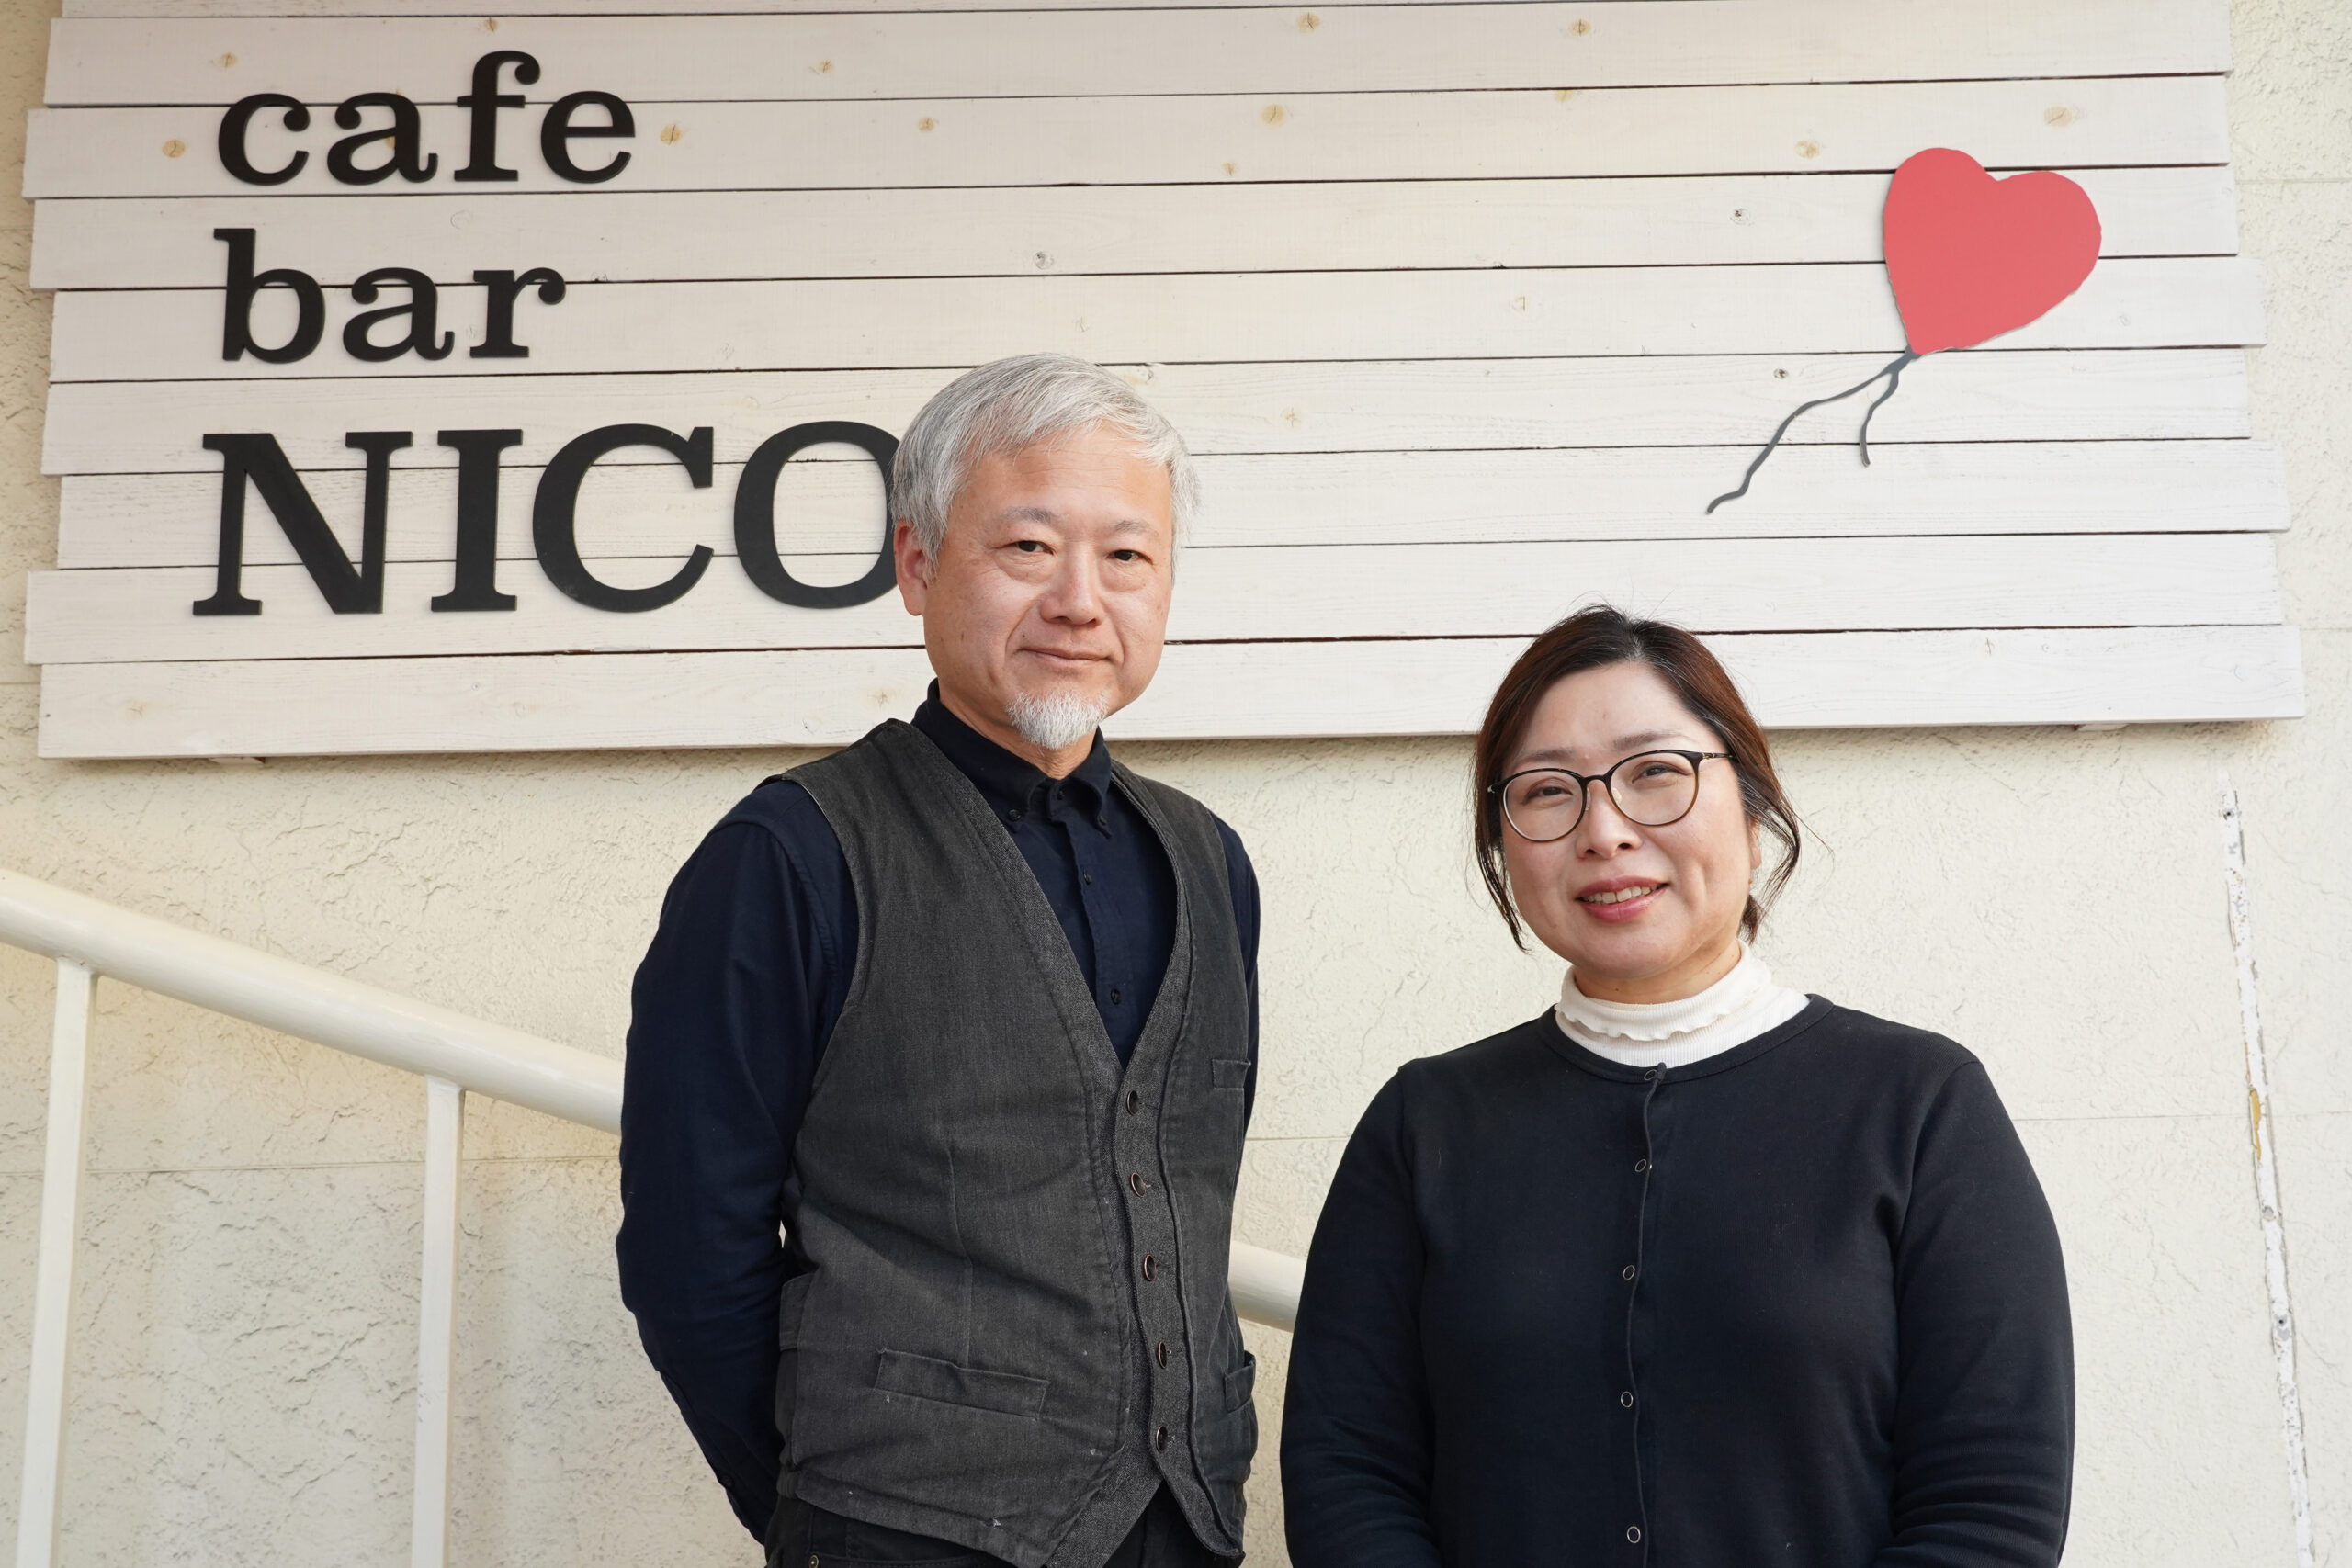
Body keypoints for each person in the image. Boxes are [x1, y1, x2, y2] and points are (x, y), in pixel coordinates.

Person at [617, 355, 1261, 1568]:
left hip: (1184, 1530)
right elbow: (686, 1256)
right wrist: (833, 1510)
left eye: (1128, 556)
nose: (1080, 601)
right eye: (1029, 547)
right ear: (917, 564)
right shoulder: (790, 856)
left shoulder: (1208, 862)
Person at [1281, 605, 2074, 1567]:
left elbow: (1991, 1504)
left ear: (1753, 809)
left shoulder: (1919, 1105)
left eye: (1655, 772)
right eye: (1547, 790)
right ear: (1502, 842)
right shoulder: (1426, 1124)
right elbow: (1346, 1471)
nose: (1604, 831)